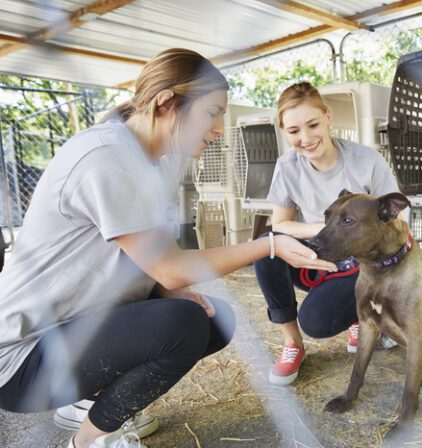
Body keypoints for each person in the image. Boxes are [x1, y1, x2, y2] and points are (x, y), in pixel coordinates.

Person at [0, 49, 336, 448]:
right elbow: (171, 266)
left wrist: (167, 290)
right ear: (166, 103)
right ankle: (90, 441)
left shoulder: (152, 158)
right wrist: (269, 244)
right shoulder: (107, 156)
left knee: (210, 318)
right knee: (182, 326)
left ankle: (85, 404)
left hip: (75, 327)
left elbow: (146, 257)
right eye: (211, 113)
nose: (217, 129)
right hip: (23, 357)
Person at [253, 82, 401, 386]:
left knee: (317, 322)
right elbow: (280, 225)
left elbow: (397, 225)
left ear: (328, 117)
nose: (305, 138)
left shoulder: (366, 161)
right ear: (284, 131)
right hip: (318, 254)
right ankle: (293, 344)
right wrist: (326, 232)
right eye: (294, 131)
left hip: (362, 265)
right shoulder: (287, 167)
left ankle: (361, 315)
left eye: (313, 125)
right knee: (264, 246)